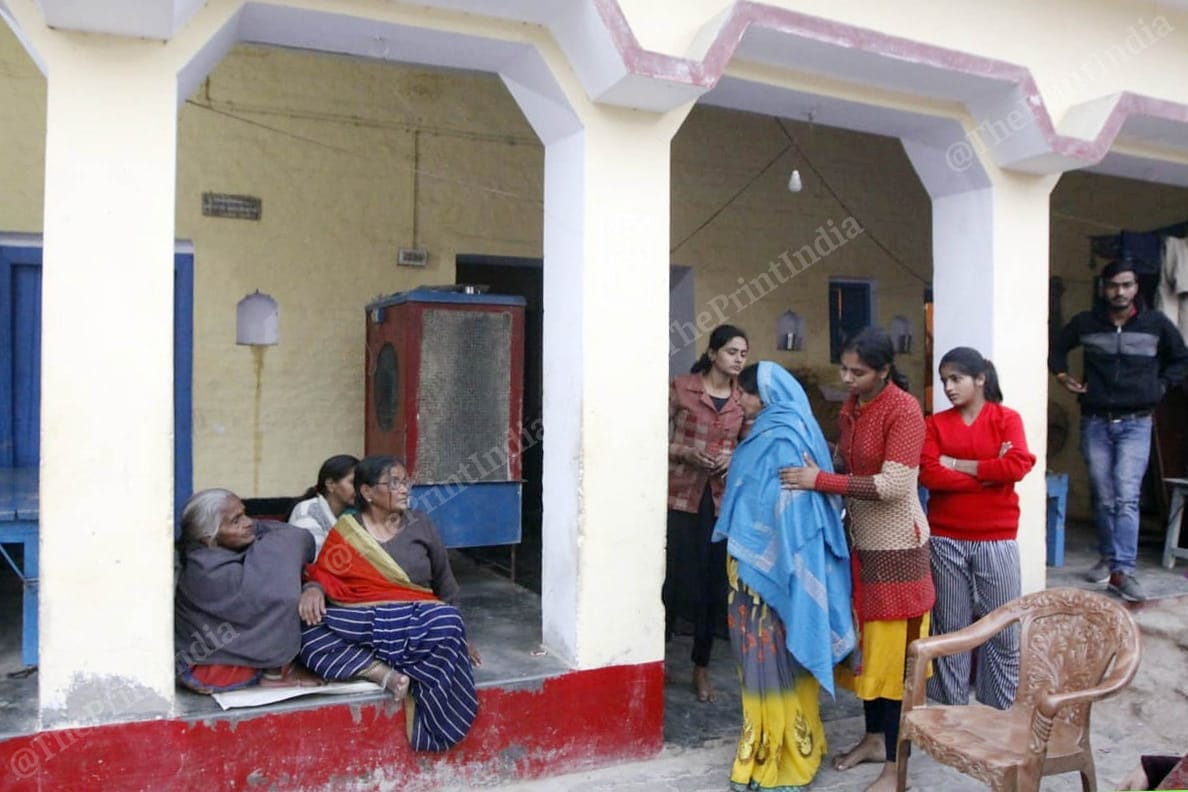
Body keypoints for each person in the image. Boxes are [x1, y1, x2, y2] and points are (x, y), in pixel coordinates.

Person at [780, 327, 935, 792]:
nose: (847, 378)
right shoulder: (854, 406)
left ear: (885, 370)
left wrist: (819, 481)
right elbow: (848, 463)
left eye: (858, 372)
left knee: (894, 665)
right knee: (869, 656)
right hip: (861, 545)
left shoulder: (904, 411)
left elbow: (892, 486)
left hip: (897, 551)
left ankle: (896, 769)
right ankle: (873, 740)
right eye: (844, 369)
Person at [713, 362, 855, 791]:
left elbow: (786, 503)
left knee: (767, 661)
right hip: (770, 564)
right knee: (772, 661)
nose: (740, 398)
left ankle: (776, 758)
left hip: (765, 570)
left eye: (747, 391)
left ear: (766, 395)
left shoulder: (779, 435)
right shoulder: (790, 429)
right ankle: (791, 746)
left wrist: (769, 557)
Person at [298, 455, 481, 751]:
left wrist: (462, 635)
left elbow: (445, 582)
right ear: (368, 492)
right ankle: (382, 672)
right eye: (394, 483)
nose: (404, 489)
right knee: (305, 634)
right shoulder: (347, 531)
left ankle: (419, 695)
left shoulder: (420, 523)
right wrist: (313, 588)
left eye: (405, 481)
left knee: (447, 622)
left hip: (415, 620)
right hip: (365, 622)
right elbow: (324, 571)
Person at [1050, 258, 1188, 602]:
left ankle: (1122, 569)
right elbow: (1056, 349)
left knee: (1125, 497)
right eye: (1113, 285)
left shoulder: (1156, 324)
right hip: (1095, 420)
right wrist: (1062, 376)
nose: (1120, 291)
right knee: (1105, 495)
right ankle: (1108, 557)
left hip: (1137, 422)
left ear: (1136, 287)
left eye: (1126, 285)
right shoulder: (1087, 322)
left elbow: (1181, 358)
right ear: (1103, 287)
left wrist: (1161, 386)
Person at [918, 347, 1036, 710]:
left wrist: (956, 464)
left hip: (995, 538)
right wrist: (988, 473)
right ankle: (952, 710)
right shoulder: (935, 424)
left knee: (1002, 626)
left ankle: (1000, 709)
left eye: (956, 379)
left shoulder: (1006, 419)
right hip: (945, 537)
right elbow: (928, 473)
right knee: (951, 628)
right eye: (944, 381)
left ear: (980, 379)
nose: (948, 388)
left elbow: (1017, 465)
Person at [666, 323, 749, 702]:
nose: (738, 359)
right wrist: (684, 452)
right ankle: (660, 657)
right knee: (672, 579)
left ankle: (701, 667)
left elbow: (752, 446)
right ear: (714, 352)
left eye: (743, 354)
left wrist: (731, 459)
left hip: (719, 501)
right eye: (732, 352)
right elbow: (650, 433)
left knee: (712, 586)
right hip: (680, 496)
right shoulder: (682, 387)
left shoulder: (743, 400)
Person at [174, 488, 323, 693]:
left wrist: (312, 587)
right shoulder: (205, 569)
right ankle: (274, 672)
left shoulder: (232, 545)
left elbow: (295, 537)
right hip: (213, 666)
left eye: (245, 513)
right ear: (208, 538)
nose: (248, 522)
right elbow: (278, 594)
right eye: (235, 520)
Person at [288, 454, 359, 554]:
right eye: (353, 482)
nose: (359, 488)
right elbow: (316, 560)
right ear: (330, 484)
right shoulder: (307, 512)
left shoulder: (351, 515)